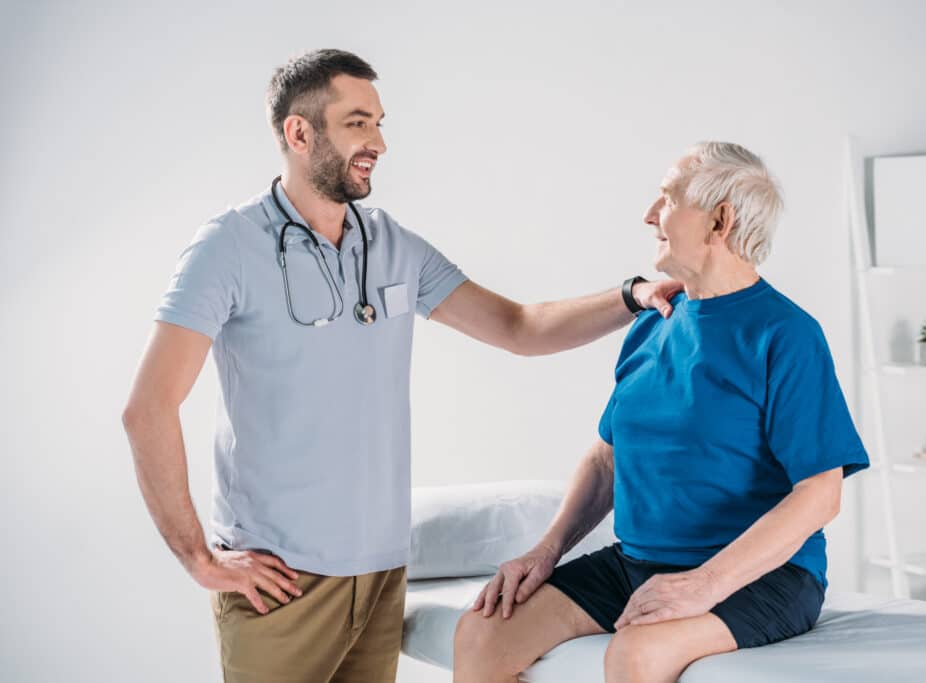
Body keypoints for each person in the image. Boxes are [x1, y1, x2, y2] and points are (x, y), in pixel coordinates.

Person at [120, 49, 680, 683]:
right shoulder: (228, 247)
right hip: (278, 583)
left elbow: (519, 328)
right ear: (299, 133)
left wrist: (632, 295)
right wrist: (199, 558)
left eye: (380, 122)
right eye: (358, 122)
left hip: (382, 576)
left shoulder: (390, 244)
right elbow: (148, 408)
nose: (379, 142)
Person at [454, 141, 870, 683]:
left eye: (668, 200)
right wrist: (545, 550)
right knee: (483, 633)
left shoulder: (785, 334)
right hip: (636, 564)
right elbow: (607, 461)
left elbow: (820, 493)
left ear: (720, 220)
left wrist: (706, 584)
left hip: (762, 576)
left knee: (638, 652)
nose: (650, 215)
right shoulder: (654, 322)